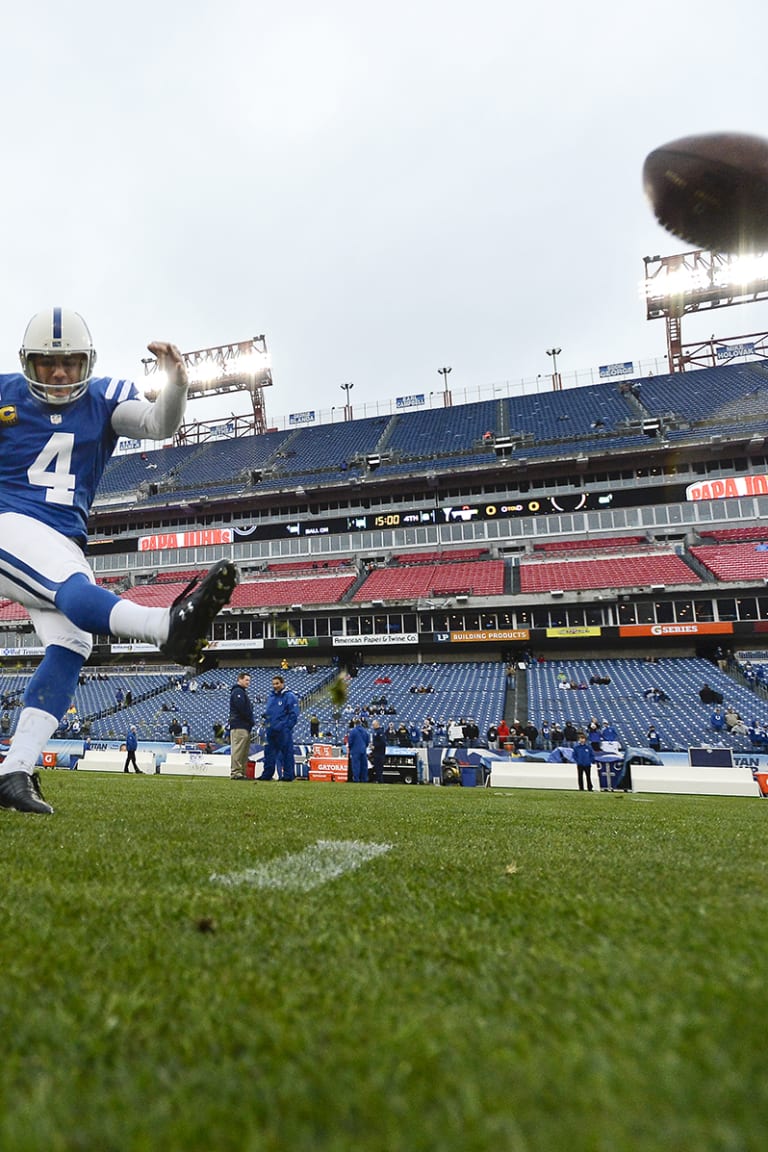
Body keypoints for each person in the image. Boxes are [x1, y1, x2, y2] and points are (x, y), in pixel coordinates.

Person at [0, 309, 238, 815]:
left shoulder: (105, 396)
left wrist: (176, 384)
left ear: (86, 362)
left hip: (62, 539)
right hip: (9, 521)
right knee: (68, 587)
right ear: (29, 364)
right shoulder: (3, 394)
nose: (59, 374)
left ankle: (14, 771)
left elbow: (159, 423)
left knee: (71, 642)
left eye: (68, 363)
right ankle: (163, 626)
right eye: (46, 364)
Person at [258, 673, 299, 781]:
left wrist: (286, 727)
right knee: (269, 753)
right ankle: (267, 775)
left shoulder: (289, 696)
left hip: (283, 731)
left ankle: (288, 776)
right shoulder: (271, 696)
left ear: (282, 683)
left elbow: (293, 714)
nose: (275, 686)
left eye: (277, 683)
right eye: (273, 684)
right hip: (270, 730)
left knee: (286, 753)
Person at [229, 671, 254, 780]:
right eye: (246, 680)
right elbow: (242, 708)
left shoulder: (242, 692)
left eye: (249, 680)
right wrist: (250, 719)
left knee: (243, 752)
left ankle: (241, 772)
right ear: (240, 679)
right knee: (238, 750)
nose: (248, 682)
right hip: (239, 725)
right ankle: (236, 772)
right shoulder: (238, 692)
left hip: (244, 725)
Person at [347, 718, 371, 783]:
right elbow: (367, 741)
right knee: (364, 765)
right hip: (363, 750)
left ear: (355, 724)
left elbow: (350, 741)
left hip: (355, 750)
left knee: (356, 765)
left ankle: (356, 779)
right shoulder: (365, 731)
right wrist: (364, 746)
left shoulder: (353, 731)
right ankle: (364, 779)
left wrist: (350, 747)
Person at [370, 718, 387, 783]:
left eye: (373, 725)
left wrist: (375, 746)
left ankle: (380, 780)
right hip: (376, 753)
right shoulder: (375, 732)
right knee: (377, 767)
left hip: (380, 753)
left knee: (379, 767)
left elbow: (382, 742)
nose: (373, 726)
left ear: (377, 724)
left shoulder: (380, 732)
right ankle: (378, 779)